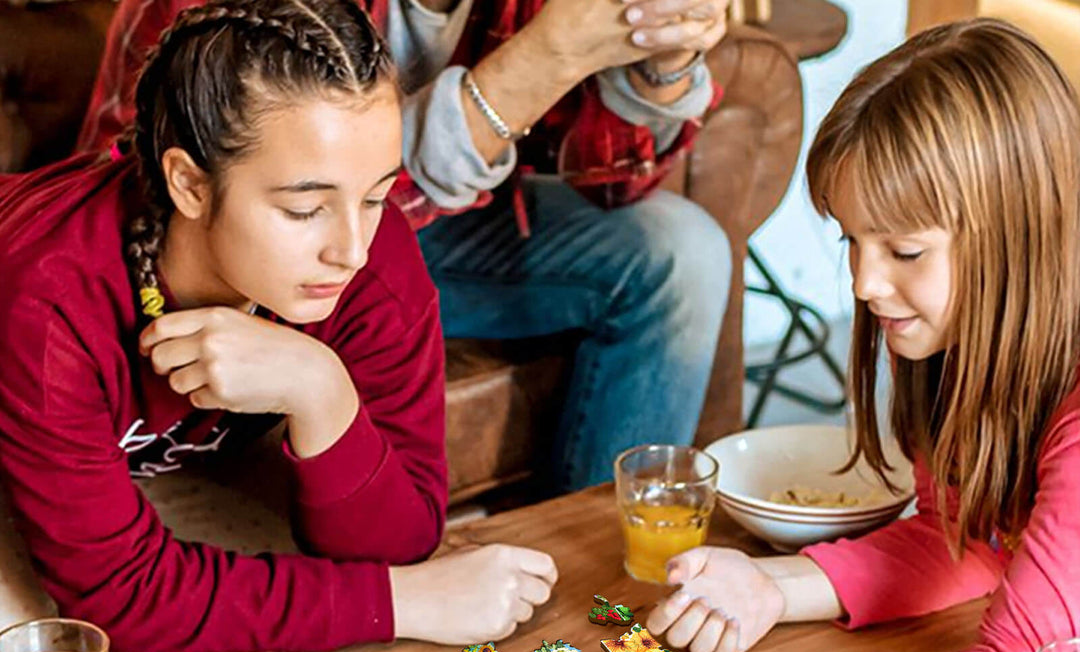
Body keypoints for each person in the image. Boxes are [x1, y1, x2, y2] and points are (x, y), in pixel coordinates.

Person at [0, 0, 556, 652]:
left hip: (100, 451)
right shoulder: (49, 299)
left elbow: (402, 538)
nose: (351, 248)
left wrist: (321, 390)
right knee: (33, 647)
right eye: (304, 209)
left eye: (375, 196)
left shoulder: (371, 254)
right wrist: (402, 602)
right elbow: (123, 598)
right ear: (189, 185)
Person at [646, 19, 1080, 652]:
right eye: (852, 240)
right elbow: (965, 538)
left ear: (1022, 237)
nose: (862, 283)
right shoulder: (963, 347)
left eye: (904, 251)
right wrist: (772, 587)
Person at [77, 0, 734, 492]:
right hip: (229, 247)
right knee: (338, 224)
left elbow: (617, 187)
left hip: (432, 223)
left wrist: (660, 63)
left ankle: (603, 564)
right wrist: (544, 59)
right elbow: (162, 206)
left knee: (680, 251)